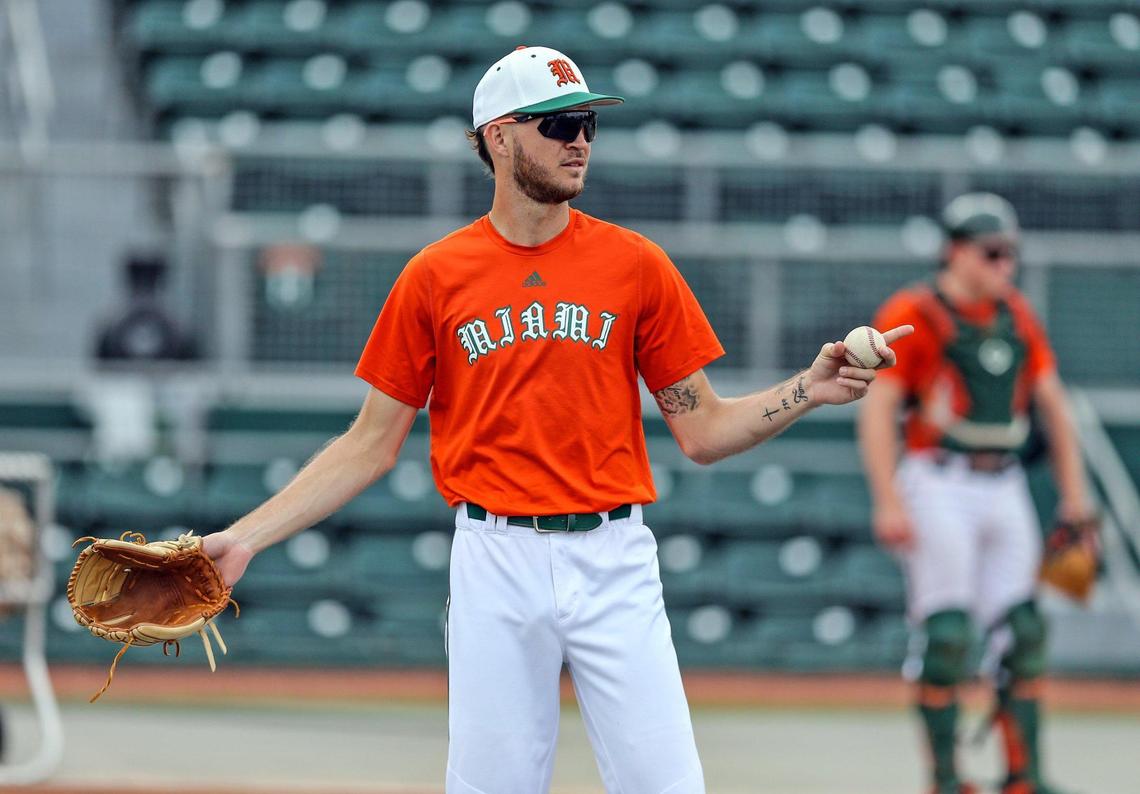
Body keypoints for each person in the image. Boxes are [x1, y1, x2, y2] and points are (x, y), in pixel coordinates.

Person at [204, 45, 910, 794]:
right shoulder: (434, 277)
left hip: (614, 557)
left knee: (668, 786)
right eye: (560, 123)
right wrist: (245, 538)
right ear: (499, 138)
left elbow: (703, 430)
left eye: (589, 125)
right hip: (494, 559)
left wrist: (808, 387)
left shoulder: (636, 265)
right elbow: (367, 445)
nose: (579, 139)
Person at [857, 193, 1093, 794]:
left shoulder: (1015, 315)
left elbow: (1053, 404)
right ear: (956, 250)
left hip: (1004, 481)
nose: (1004, 266)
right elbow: (879, 408)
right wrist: (887, 498)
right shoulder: (916, 311)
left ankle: (1024, 775)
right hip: (938, 480)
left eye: (1010, 254)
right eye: (992, 253)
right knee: (949, 634)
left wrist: (1074, 496)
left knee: (1025, 629)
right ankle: (945, 778)